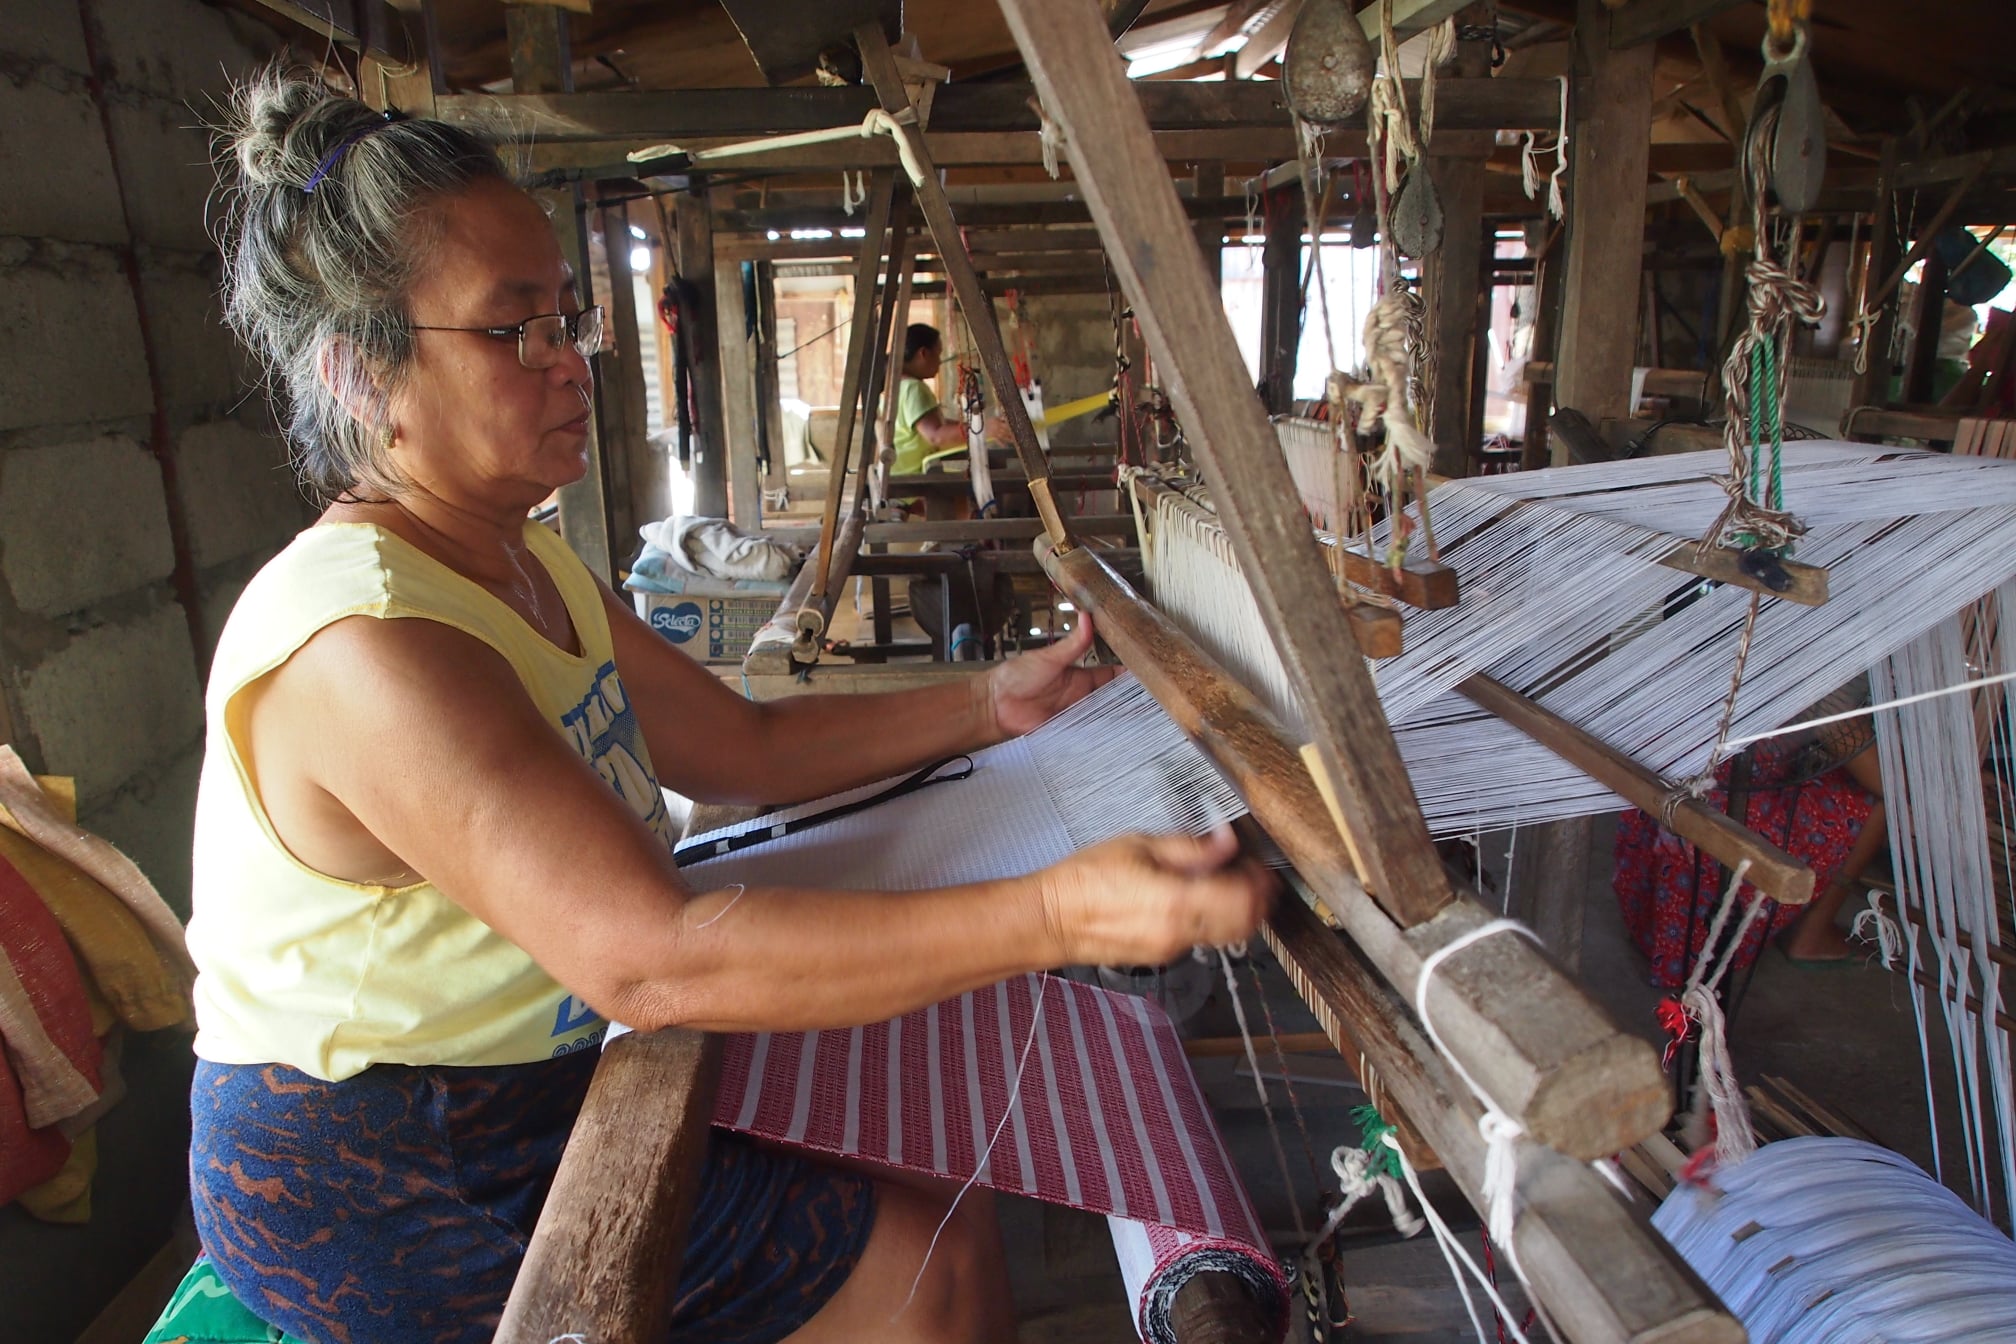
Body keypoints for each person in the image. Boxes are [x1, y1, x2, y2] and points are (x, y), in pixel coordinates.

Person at [183, 69, 1272, 1344]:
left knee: (944, 1188)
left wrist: (989, 705)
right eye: (513, 330)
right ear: (359, 374)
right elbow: (646, 956)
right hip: (390, 1167)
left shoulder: (521, 565)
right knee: (919, 1280)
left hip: (542, 1073)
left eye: (569, 323)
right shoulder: (365, 644)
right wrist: (1055, 913)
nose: (571, 366)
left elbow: (741, 747)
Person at [1614, 684, 1885, 989]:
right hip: (1705, 865)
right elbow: (1888, 786)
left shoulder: (1746, 651)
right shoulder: (1824, 687)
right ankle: (1811, 938)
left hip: (1650, 873)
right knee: (1880, 805)